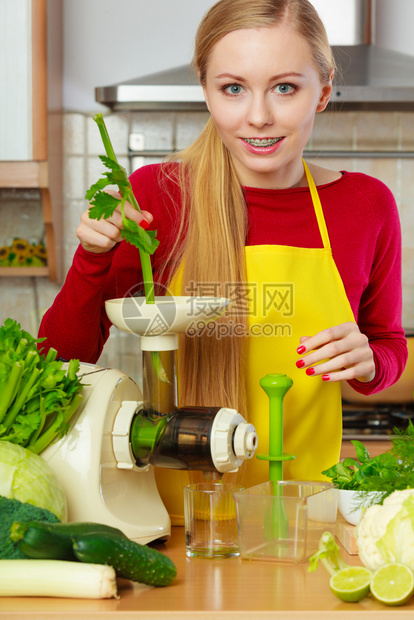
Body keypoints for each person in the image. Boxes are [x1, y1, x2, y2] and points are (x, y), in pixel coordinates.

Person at [39, 0, 407, 524]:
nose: (258, 116)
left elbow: (387, 345)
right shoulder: (156, 196)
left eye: (285, 87)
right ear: (206, 90)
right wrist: (92, 260)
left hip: (304, 518)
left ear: (322, 91)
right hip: (172, 519)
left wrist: (369, 360)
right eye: (233, 88)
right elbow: (60, 363)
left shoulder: (366, 205)